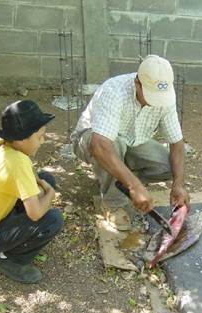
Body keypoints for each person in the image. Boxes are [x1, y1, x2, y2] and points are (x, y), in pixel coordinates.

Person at [71, 55, 189, 225]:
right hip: (91, 139)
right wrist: (135, 186)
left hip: (132, 142)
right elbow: (100, 145)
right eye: (151, 96)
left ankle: (118, 181)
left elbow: (177, 143)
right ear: (137, 84)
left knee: (169, 167)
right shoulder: (114, 91)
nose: (156, 103)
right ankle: (114, 203)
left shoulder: (166, 95)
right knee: (114, 144)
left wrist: (179, 184)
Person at [0, 100, 63, 284]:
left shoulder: (4, 147)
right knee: (53, 219)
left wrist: (44, 188)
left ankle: (13, 242)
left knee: (45, 179)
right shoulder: (18, 162)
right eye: (40, 137)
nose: (42, 142)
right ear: (21, 139)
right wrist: (50, 195)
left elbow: (31, 177)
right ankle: (8, 259)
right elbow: (35, 214)